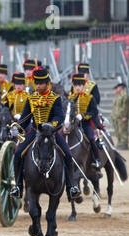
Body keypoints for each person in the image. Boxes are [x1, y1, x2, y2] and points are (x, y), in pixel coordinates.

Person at [9, 67, 81, 201]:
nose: (37, 86)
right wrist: (17, 128)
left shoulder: (55, 98)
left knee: (68, 155)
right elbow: (25, 118)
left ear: (47, 83)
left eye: (40, 83)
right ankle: (18, 186)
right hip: (35, 131)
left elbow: (59, 116)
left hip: (51, 133)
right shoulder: (31, 98)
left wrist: (51, 126)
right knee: (18, 154)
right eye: (36, 83)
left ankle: (71, 187)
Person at [68, 73, 101, 168]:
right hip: (74, 124)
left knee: (91, 138)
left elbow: (94, 112)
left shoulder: (89, 98)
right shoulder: (70, 98)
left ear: (83, 86)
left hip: (85, 124)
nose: (77, 88)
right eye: (76, 86)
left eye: (80, 85)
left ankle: (96, 159)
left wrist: (83, 116)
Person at [111, 83, 129, 150]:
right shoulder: (119, 96)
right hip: (118, 116)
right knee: (119, 131)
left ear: (122, 87)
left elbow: (125, 107)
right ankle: (120, 143)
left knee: (123, 131)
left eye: (118, 87)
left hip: (122, 116)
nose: (117, 89)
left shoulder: (125, 96)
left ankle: (124, 144)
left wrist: (125, 116)